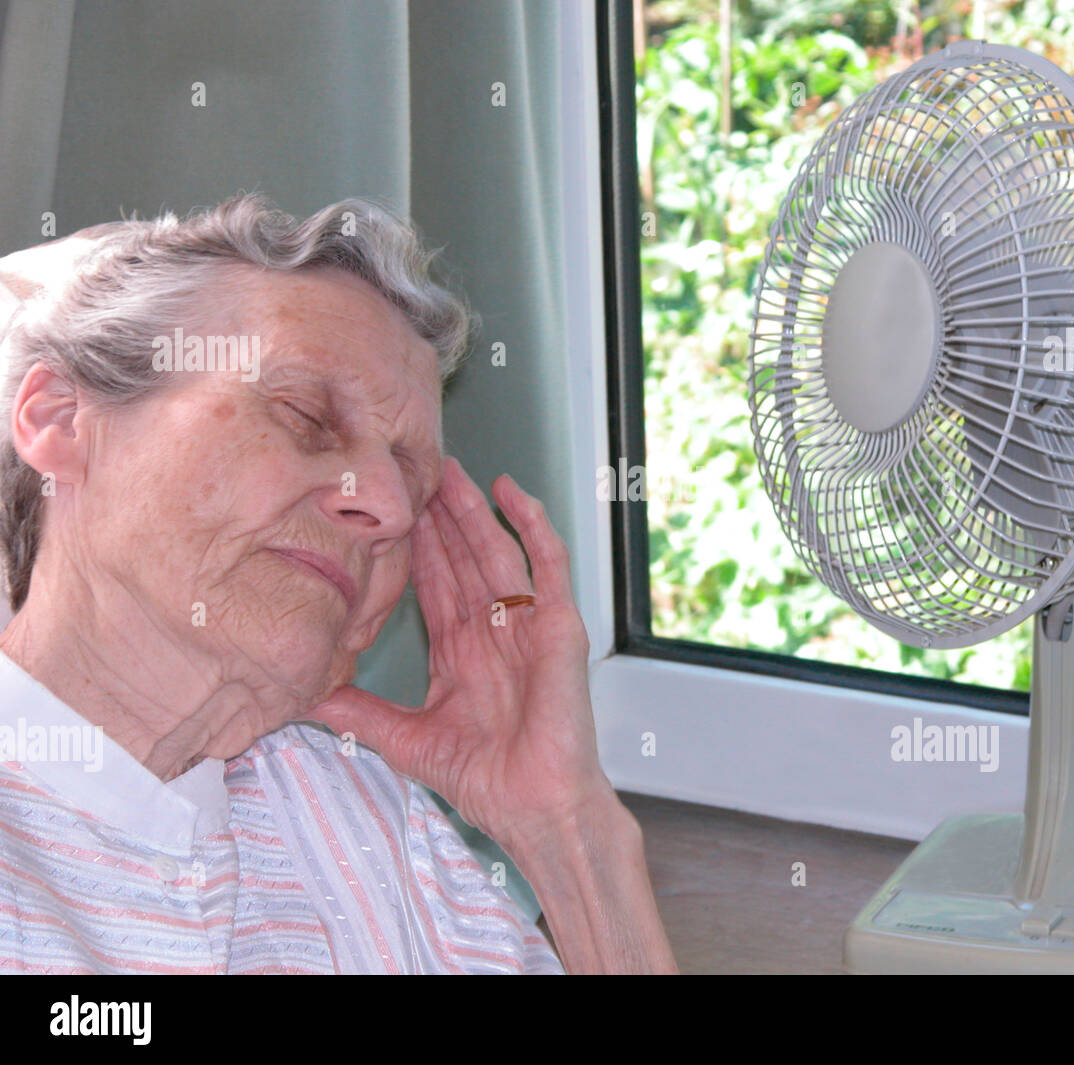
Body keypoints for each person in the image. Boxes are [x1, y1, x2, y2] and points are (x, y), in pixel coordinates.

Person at [0, 194, 677, 974]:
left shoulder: (365, 821)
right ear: (58, 417)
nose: (387, 507)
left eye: (411, 480)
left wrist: (567, 833)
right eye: (303, 416)